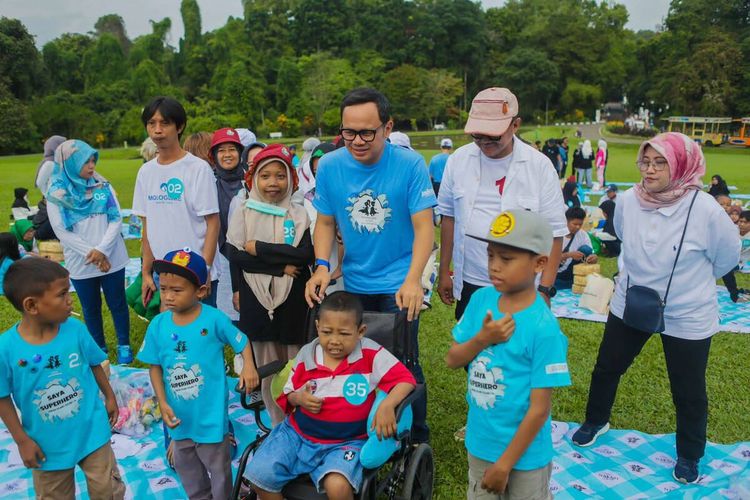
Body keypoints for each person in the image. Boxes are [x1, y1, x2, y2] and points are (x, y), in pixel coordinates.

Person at [572, 132, 740, 485]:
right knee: (607, 367)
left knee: (688, 389)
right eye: (645, 161)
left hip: (687, 310)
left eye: (660, 162)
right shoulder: (630, 200)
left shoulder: (705, 209)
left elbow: (727, 257)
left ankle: (690, 455)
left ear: (681, 165)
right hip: (631, 300)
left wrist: (687, 283)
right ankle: (596, 420)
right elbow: (621, 236)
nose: (649, 170)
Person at [305, 88, 436, 443]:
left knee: (404, 360)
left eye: (367, 132)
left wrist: (414, 280)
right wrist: (321, 266)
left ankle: (415, 437)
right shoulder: (331, 165)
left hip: (399, 281)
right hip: (356, 281)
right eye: (349, 132)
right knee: (357, 359)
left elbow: (425, 226)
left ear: (387, 127)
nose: (357, 141)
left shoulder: (410, 165)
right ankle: (365, 429)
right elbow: (326, 222)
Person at [445, 209, 571, 500]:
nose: (494, 267)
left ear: (539, 263)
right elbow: (452, 359)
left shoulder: (543, 327)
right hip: (481, 443)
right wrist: (482, 339)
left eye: (507, 259)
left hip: (525, 456)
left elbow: (539, 409)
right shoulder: (480, 301)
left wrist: (505, 464)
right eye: (491, 256)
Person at [245, 291, 416, 500]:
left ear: (360, 331)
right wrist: (298, 399)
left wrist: (388, 404)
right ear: (318, 328)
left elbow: (405, 380)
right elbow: (288, 393)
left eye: (344, 334)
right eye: (327, 332)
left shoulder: (371, 355)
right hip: (298, 435)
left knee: (337, 485)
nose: (334, 341)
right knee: (260, 475)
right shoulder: (307, 355)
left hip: (347, 441)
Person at [136, 248, 259, 499]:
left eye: (177, 290)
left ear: (201, 291)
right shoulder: (158, 326)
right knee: (187, 469)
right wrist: (162, 402)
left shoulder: (214, 320)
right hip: (178, 418)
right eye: (164, 288)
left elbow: (242, 341)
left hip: (211, 417)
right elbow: (154, 366)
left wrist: (248, 366)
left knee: (219, 469)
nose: (168, 296)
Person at [437, 87, 567, 322]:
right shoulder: (458, 160)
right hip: (471, 279)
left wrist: (545, 289)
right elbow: (449, 218)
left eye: (493, 135)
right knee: (472, 349)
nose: (484, 142)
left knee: (515, 352)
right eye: (477, 135)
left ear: (515, 125)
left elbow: (555, 234)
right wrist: (444, 270)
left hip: (521, 284)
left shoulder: (539, 166)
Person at [0, 258, 125, 499]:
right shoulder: (6, 349)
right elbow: (2, 397)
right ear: (32, 305)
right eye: (62, 294)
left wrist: (109, 396)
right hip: (47, 444)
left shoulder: (75, 329)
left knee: (107, 490)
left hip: (92, 431)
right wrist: (22, 440)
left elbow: (94, 363)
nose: (70, 300)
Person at [225, 144, 314, 424]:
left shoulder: (298, 214)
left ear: (291, 179)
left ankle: (301, 420)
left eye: (280, 175)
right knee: (266, 361)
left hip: (294, 301)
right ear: (253, 179)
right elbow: (236, 254)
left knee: (296, 360)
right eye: (265, 176)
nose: (273, 183)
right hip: (256, 298)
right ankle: (277, 423)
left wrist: (259, 247)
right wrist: (280, 268)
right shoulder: (244, 211)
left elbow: (304, 254)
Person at [46, 139, 132, 362]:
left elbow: (115, 218)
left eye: (93, 160)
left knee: (118, 303)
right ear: (70, 163)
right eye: (86, 161)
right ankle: (98, 347)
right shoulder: (57, 194)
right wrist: (94, 255)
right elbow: (61, 230)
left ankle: (124, 344)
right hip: (81, 263)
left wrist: (102, 250)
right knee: (90, 308)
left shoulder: (102, 186)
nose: (92, 166)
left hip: (112, 257)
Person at [132, 96, 221, 309]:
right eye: (151, 124)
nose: (157, 130)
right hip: (164, 273)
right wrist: (146, 272)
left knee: (201, 336)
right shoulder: (146, 172)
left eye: (165, 123)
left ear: (179, 127)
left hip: (196, 272)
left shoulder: (198, 168)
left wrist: (205, 269)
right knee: (171, 335)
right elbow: (147, 228)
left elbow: (213, 222)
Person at [210, 127, 246, 322]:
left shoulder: (250, 179)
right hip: (220, 250)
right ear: (215, 155)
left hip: (248, 250)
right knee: (227, 303)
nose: (227, 155)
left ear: (240, 153)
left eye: (232, 149)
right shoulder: (209, 181)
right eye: (221, 150)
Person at [555, 207, 598, 289]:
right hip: (554, 272)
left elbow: (591, 252)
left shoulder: (583, 235)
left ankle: (571, 283)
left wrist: (593, 258)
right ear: (566, 222)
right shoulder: (556, 235)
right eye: (575, 224)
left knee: (586, 249)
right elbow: (548, 259)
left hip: (571, 271)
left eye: (580, 225)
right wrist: (568, 255)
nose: (578, 227)